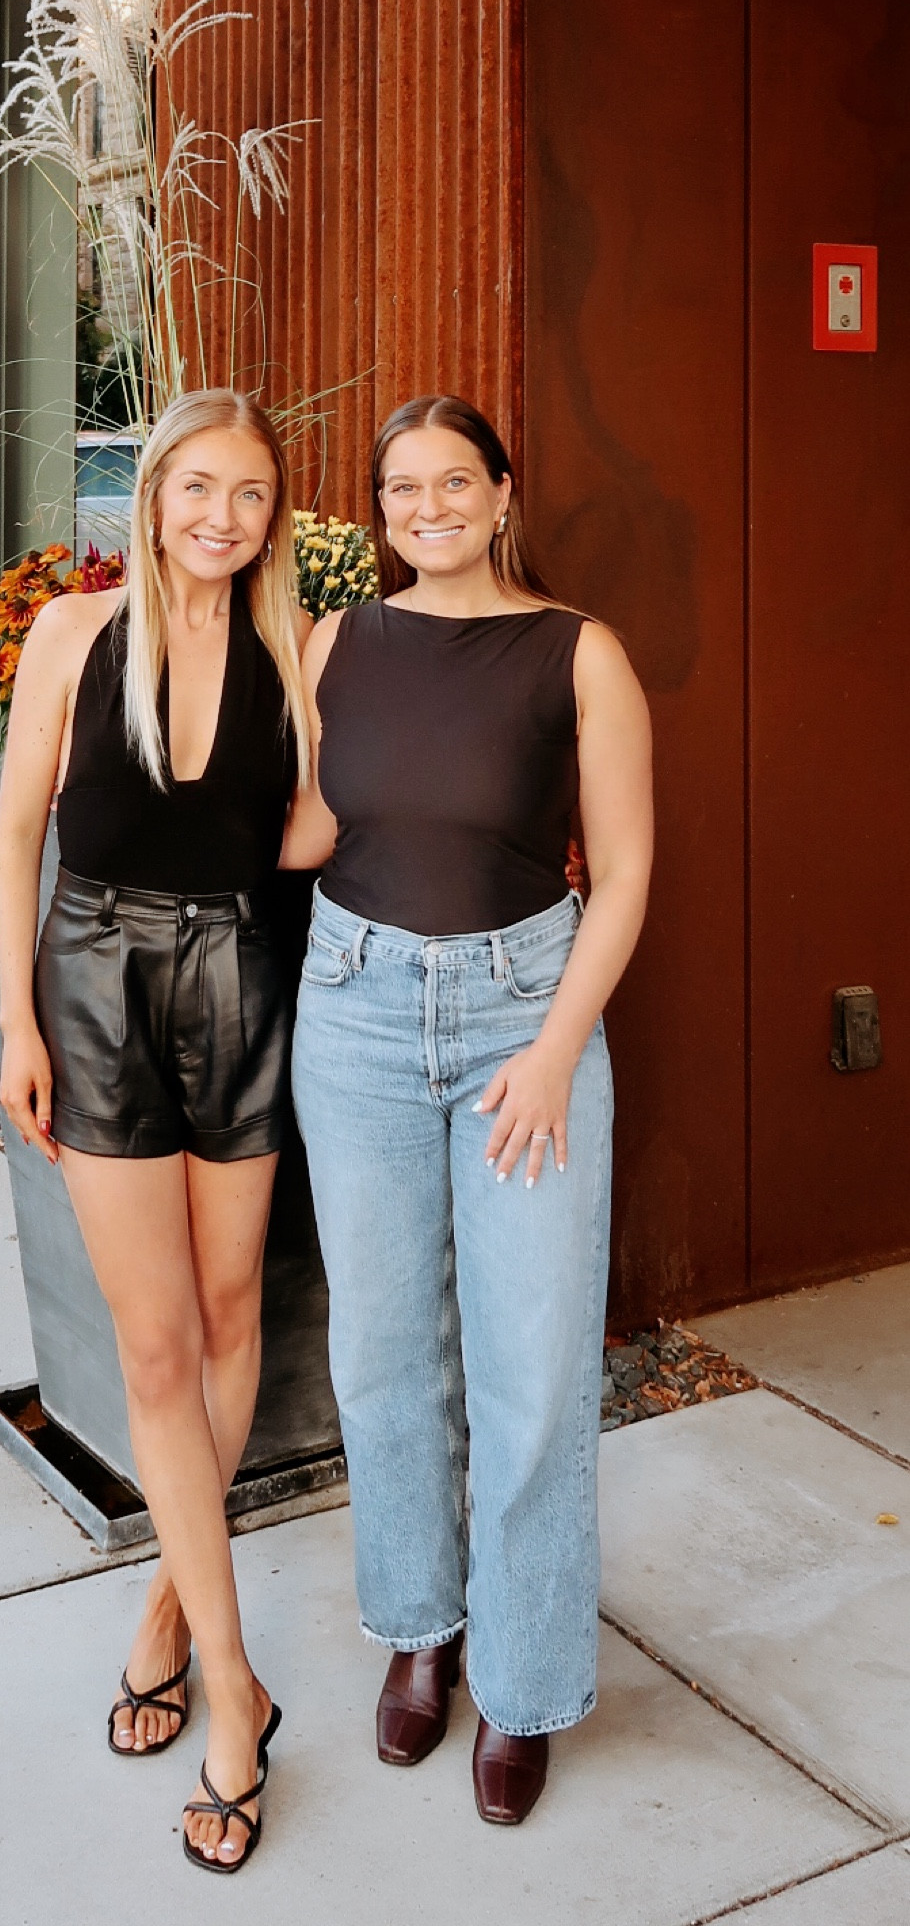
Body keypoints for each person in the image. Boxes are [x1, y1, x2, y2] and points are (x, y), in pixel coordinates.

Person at [283, 394, 652, 1823]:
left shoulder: (578, 652)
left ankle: (523, 1678)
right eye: (400, 488)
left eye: (453, 482)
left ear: (503, 493)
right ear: (378, 511)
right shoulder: (341, 640)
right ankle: (419, 1631)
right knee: (384, 1353)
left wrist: (558, 1049)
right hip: (355, 1007)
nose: (425, 508)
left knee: (533, 1367)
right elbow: (321, 825)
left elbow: (622, 870)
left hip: (522, 1018)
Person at [0, 389, 311, 1871]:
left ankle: (171, 1603)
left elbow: (315, 829)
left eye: (248, 494)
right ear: (153, 490)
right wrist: (16, 1022)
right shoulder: (73, 635)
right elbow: (16, 834)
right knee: (156, 1346)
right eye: (196, 486)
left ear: (273, 516)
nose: (218, 516)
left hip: (239, 977)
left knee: (234, 1317)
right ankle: (236, 1691)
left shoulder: (293, 655)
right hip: (96, 978)